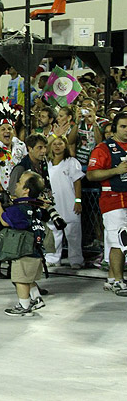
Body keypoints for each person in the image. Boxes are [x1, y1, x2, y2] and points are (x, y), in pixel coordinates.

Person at [0, 99, 27, 279]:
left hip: (15, 195)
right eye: (3, 129)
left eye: (9, 128)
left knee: (15, 230)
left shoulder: (20, 146)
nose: (7, 132)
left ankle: (13, 268)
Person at [0, 171, 48, 316]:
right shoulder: (36, 205)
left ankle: (24, 306)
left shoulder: (20, 208)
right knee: (28, 278)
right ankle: (36, 299)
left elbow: (5, 221)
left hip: (24, 252)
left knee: (20, 279)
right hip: (36, 251)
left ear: (26, 190)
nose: (16, 184)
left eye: (19, 182)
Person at [86, 112, 127, 297]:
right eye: (123, 127)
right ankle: (119, 281)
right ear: (115, 128)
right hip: (113, 200)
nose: (126, 131)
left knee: (114, 241)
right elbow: (91, 175)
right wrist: (115, 170)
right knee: (119, 241)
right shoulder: (104, 148)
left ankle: (112, 279)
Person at [45, 135, 84, 269]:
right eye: (54, 144)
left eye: (60, 143)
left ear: (65, 146)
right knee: (54, 232)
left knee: (73, 234)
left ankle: (76, 260)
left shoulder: (71, 162)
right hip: (54, 204)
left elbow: (77, 182)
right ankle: (53, 258)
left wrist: (78, 201)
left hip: (69, 204)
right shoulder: (47, 163)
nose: (57, 146)